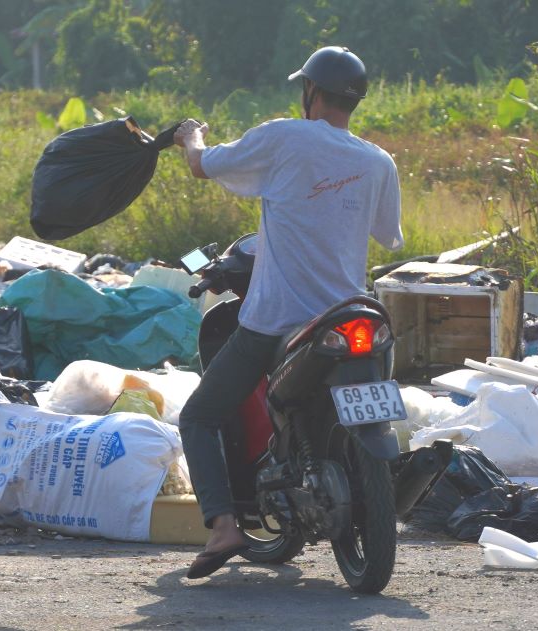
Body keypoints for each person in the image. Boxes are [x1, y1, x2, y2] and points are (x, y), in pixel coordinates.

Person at [172, 46, 404, 579]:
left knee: (198, 415)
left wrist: (191, 136)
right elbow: (388, 237)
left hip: (278, 319)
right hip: (350, 314)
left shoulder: (284, 137)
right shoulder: (378, 161)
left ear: (311, 93)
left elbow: (202, 168)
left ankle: (224, 525)